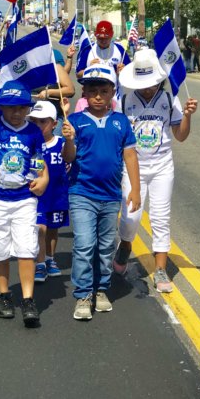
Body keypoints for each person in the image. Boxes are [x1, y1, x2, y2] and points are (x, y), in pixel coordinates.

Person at [114, 50, 198, 292]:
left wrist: (188, 116)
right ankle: (126, 245)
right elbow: (118, 136)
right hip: (133, 167)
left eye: (151, 84)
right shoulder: (124, 101)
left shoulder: (170, 100)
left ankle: (160, 267)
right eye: (143, 84)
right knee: (131, 216)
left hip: (162, 166)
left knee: (161, 217)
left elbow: (180, 136)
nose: (147, 89)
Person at [61, 63, 140, 321]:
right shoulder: (75, 121)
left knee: (106, 246)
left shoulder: (121, 122)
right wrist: (70, 140)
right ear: (84, 93)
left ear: (112, 93)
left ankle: (101, 288)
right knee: (85, 244)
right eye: (92, 90)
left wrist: (135, 189)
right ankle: (83, 293)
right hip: (82, 192)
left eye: (103, 90)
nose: (97, 95)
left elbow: (129, 155)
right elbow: (68, 157)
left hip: (110, 196)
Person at [0, 75, 48, 327]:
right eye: (11, 107)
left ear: (28, 108)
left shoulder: (34, 132)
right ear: (2, 107)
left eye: (22, 108)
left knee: (26, 248)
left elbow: (38, 161)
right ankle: (3, 294)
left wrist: (43, 178)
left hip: (25, 199)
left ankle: (28, 299)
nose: (17, 113)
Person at [27, 101, 70, 282]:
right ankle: (40, 263)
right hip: (37, 195)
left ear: (54, 123)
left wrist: (70, 140)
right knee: (40, 228)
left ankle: (51, 259)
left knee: (53, 230)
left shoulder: (60, 143)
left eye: (43, 121)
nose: (38, 126)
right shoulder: (29, 143)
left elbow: (71, 158)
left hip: (57, 194)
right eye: (34, 121)